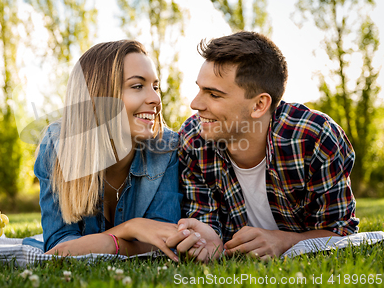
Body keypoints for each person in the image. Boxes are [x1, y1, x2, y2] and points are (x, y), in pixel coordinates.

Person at [166, 31, 359, 262]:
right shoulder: (192, 140)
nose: (195, 104)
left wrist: (285, 240)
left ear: (259, 105)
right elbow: (205, 223)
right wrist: (206, 238)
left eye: (214, 94)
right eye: (199, 89)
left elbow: (340, 233)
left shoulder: (314, 138)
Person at [33, 40, 182, 261]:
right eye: (138, 86)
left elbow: (165, 242)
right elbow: (59, 246)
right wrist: (130, 230)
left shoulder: (165, 147)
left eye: (155, 86)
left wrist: (105, 241)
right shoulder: (56, 146)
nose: (155, 99)